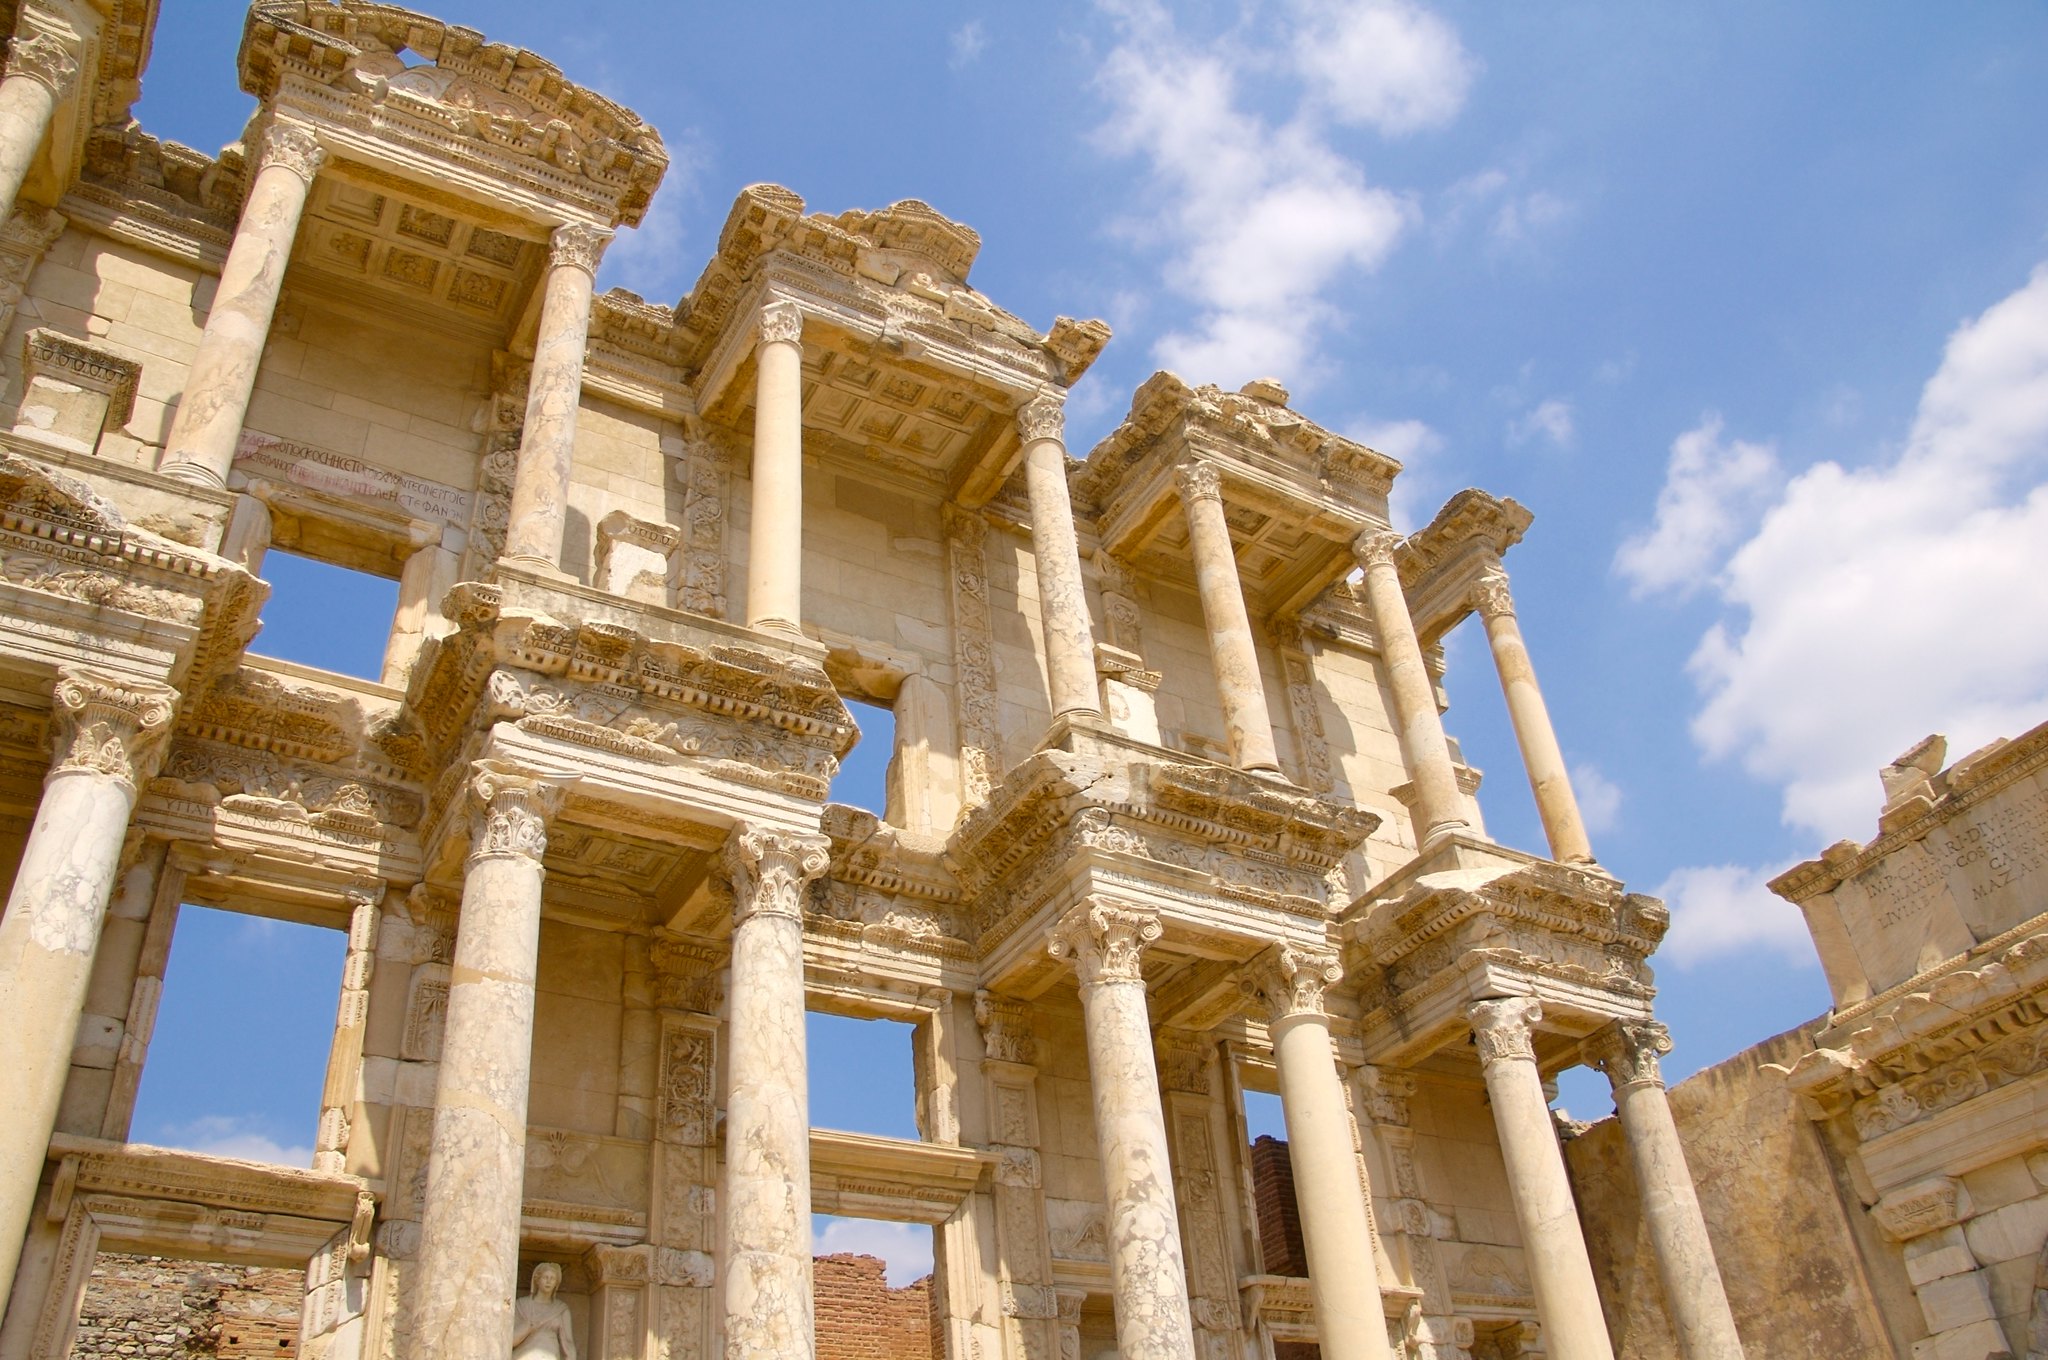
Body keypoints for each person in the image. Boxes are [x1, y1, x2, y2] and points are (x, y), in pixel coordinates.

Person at [511, 1262, 577, 1360]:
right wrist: (527, 1327)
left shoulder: (561, 1309)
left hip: (550, 1353)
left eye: (552, 1278)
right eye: (545, 1277)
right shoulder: (521, 1305)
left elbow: (568, 1342)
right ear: (537, 1280)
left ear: (556, 1283)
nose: (548, 1281)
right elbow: (511, 1340)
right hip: (524, 1354)